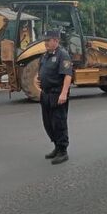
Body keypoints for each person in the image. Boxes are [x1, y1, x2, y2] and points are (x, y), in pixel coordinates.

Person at [37, 30, 73, 165]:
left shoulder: (63, 55)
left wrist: (64, 93)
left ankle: (63, 151)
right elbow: (40, 71)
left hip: (57, 94)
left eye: (48, 40)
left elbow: (67, 75)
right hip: (46, 94)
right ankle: (56, 147)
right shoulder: (45, 56)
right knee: (48, 123)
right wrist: (37, 79)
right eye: (45, 40)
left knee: (59, 123)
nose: (45, 43)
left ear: (56, 41)